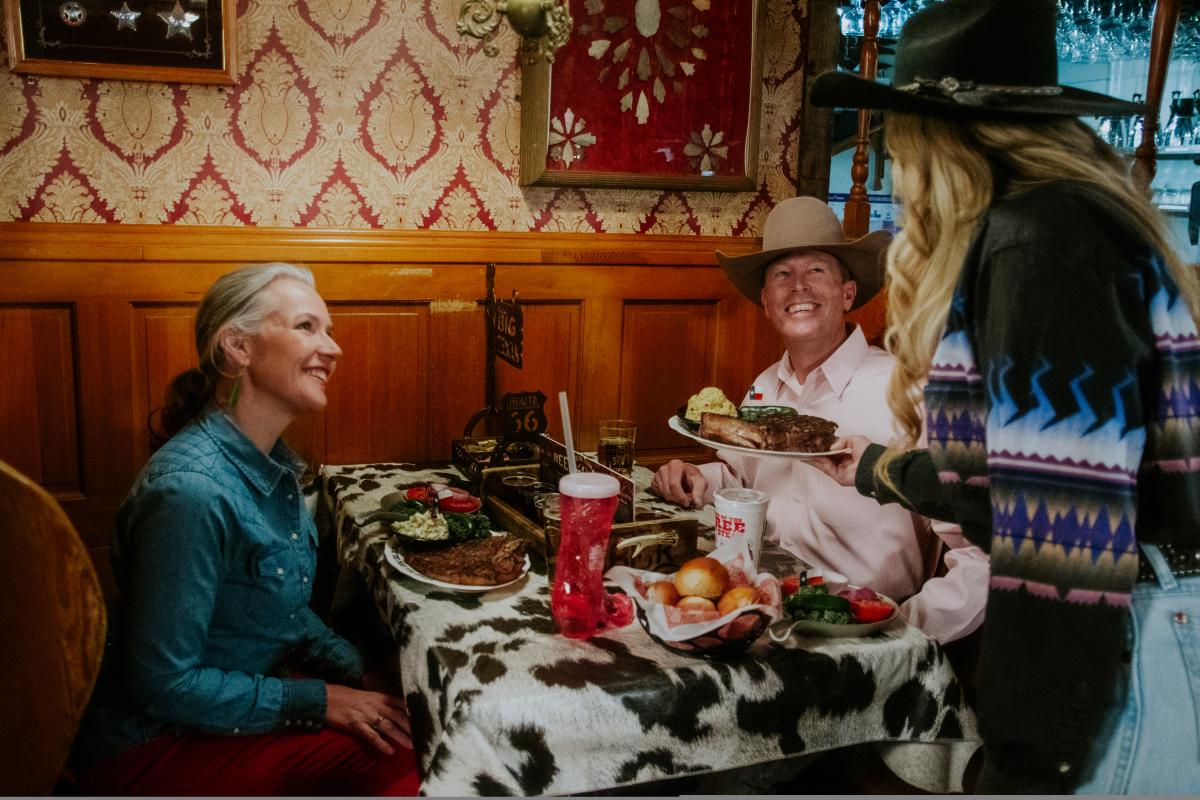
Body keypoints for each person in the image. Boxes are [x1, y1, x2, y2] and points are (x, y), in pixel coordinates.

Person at [808, 0, 1200, 793]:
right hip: (1138, 628)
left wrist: (1024, 759)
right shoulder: (1067, 224)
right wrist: (882, 468)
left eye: (900, 139)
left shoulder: (1038, 244)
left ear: (937, 141)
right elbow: (1008, 479)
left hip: (1124, 647)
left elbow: (1066, 530)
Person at [72, 263, 420, 795]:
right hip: (157, 742)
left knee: (415, 722)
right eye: (307, 327)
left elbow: (274, 608)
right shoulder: (191, 491)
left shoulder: (272, 466)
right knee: (407, 764)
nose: (333, 348)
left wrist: (354, 670)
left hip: (240, 691)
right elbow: (162, 684)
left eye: (329, 331)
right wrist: (322, 700)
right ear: (237, 345)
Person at [651, 197, 989, 644]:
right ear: (766, 302)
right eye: (782, 275)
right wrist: (700, 478)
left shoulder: (908, 392)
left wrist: (910, 629)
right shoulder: (764, 388)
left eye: (816, 271)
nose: (798, 288)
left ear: (847, 293)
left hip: (860, 635)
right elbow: (744, 475)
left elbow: (982, 547)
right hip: (763, 615)